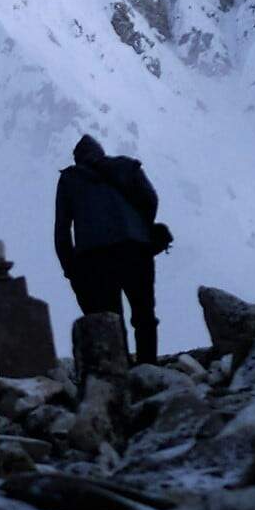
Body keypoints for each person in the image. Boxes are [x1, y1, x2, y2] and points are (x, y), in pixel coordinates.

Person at [54, 134, 163, 363]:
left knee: (110, 317)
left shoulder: (70, 180)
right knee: (144, 313)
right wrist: (142, 227)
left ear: (77, 160)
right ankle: (148, 367)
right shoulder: (127, 166)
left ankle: (120, 371)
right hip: (136, 250)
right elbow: (151, 199)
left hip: (94, 259)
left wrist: (70, 268)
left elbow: (62, 229)